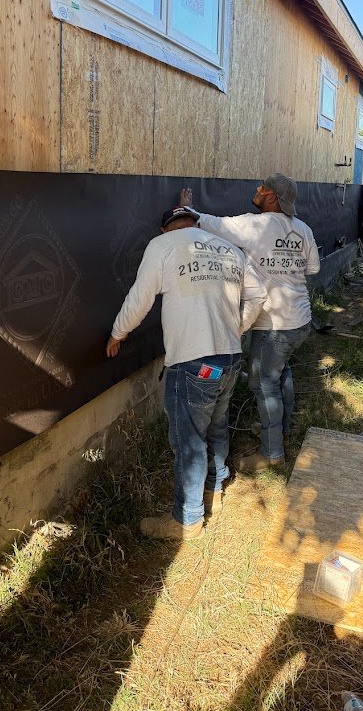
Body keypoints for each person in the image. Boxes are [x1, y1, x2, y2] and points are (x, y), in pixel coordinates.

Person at [107, 205, 266, 541]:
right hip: (229, 358)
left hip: (194, 363)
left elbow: (140, 297)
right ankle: (215, 491)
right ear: (195, 223)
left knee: (189, 441)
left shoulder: (162, 246)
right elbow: (258, 293)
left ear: (167, 229)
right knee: (217, 425)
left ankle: (188, 520)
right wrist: (238, 327)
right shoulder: (228, 248)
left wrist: (118, 333)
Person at [179, 174, 320, 472]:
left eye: (262, 188)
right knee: (281, 372)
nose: (256, 191)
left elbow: (212, 223)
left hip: (274, 324)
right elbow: (313, 268)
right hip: (301, 320)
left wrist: (187, 208)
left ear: (271, 197)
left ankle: (271, 453)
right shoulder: (304, 228)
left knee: (263, 382)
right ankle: (278, 429)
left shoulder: (255, 225)